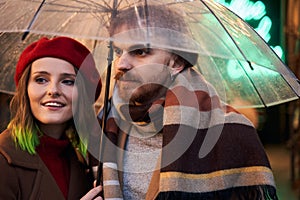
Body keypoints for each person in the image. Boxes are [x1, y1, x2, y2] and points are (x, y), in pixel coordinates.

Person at [97, 4, 278, 200]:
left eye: (140, 51)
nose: (121, 64)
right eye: (117, 51)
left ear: (176, 63)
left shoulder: (230, 132)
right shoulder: (105, 123)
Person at [0, 36, 103, 200]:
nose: (53, 90)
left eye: (68, 81)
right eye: (41, 79)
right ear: (25, 89)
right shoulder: (4, 157)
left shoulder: (84, 161)